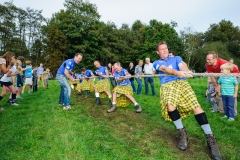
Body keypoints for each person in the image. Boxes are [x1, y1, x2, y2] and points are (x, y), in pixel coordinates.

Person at [153, 41, 222, 160]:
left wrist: (186, 71)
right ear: (157, 52)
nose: (165, 50)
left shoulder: (177, 58)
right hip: (168, 84)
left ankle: (210, 139)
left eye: (166, 48)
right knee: (170, 106)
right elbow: (165, 69)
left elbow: (182, 65)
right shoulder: (156, 63)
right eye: (162, 49)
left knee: (196, 106)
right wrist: (177, 73)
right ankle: (182, 134)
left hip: (182, 83)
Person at [206, 52, 239, 116]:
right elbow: (211, 76)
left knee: (231, 94)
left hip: (234, 75)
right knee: (220, 93)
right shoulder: (208, 65)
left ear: (215, 59)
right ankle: (223, 111)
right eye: (207, 59)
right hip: (221, 76)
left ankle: (233, 113)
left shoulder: (223, 63)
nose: (207, 61)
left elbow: (234, 67)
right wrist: (217, 86)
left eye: (209, 59)